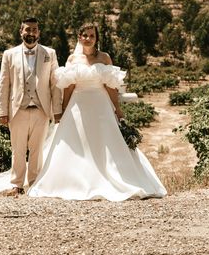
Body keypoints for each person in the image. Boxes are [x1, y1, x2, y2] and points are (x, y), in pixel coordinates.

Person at [27, 23, 166, 201]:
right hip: (77, 108)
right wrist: (62, 110)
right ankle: (75, 181)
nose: (88, 38)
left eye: (92, 36)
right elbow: (68, 88)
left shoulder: (104, 58)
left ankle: (112, 178)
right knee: (77, 145)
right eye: (85, 35)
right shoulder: (71, 60)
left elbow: (111, 87)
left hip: (101, 107)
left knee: (105, 143)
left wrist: (118, 109)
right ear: (79, 37)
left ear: (96, 38)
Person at [0, 17, 62, 196]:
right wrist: (3, 111)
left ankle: (34, 183)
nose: (31, 33)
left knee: (37, 150)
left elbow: (55, 84)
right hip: (17, 110)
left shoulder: (50, 54)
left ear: (39, 33)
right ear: (21, 32)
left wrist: (57, 111)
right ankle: (17, 184)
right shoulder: (9, 54)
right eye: (27, 30)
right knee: (17, 150)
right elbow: (4, 85)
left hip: (41, 110)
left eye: (34, 30)